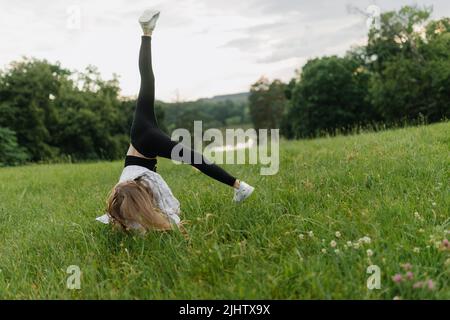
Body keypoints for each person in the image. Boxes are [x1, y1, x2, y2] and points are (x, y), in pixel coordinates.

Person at [96, 9, 254, 233]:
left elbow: (167, 212)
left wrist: (172, 224)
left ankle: (240, 186)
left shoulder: (141, 185)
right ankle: (146, 32)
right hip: (141, 133)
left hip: (145, 142)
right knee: (147, 80)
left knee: (193, 158)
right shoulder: (133, 185)